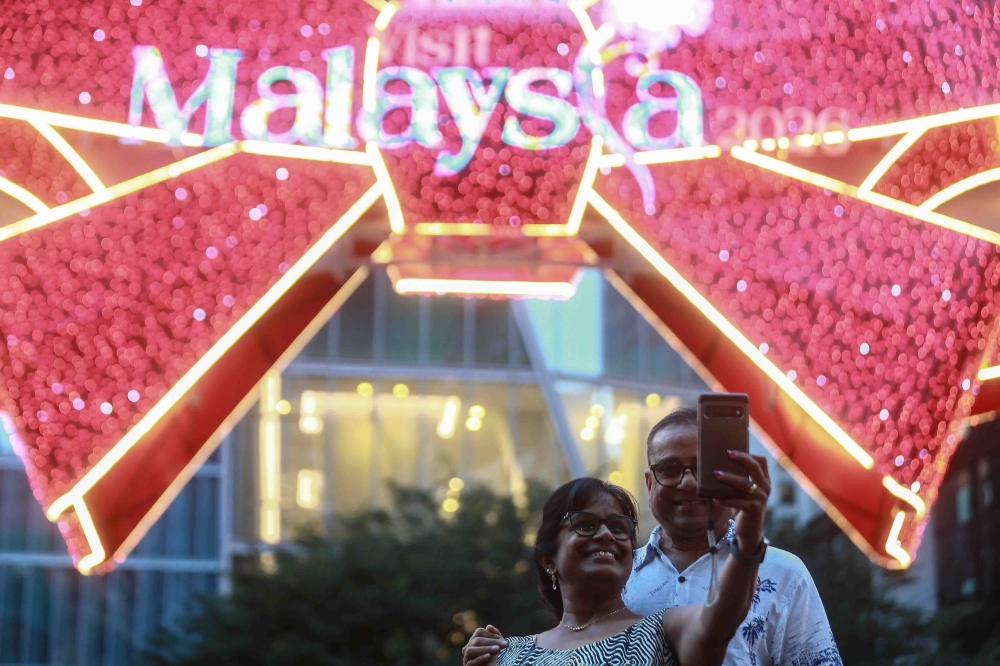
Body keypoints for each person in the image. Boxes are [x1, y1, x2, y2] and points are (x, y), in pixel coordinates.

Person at [464, 407, 842, 666]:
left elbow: (715, 628)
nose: (688, 482)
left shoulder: (782, 571)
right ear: (649, 482)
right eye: (670, 469)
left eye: (701, 469)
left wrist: (747, 541)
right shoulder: (620, 579)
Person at [476, 445, 770, 666]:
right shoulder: (505, 655)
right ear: (548, 558)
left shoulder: (663, 631)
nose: (606, 535)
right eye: (586, 524)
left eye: (620, 528)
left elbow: (722, 616)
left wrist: (747, 538)